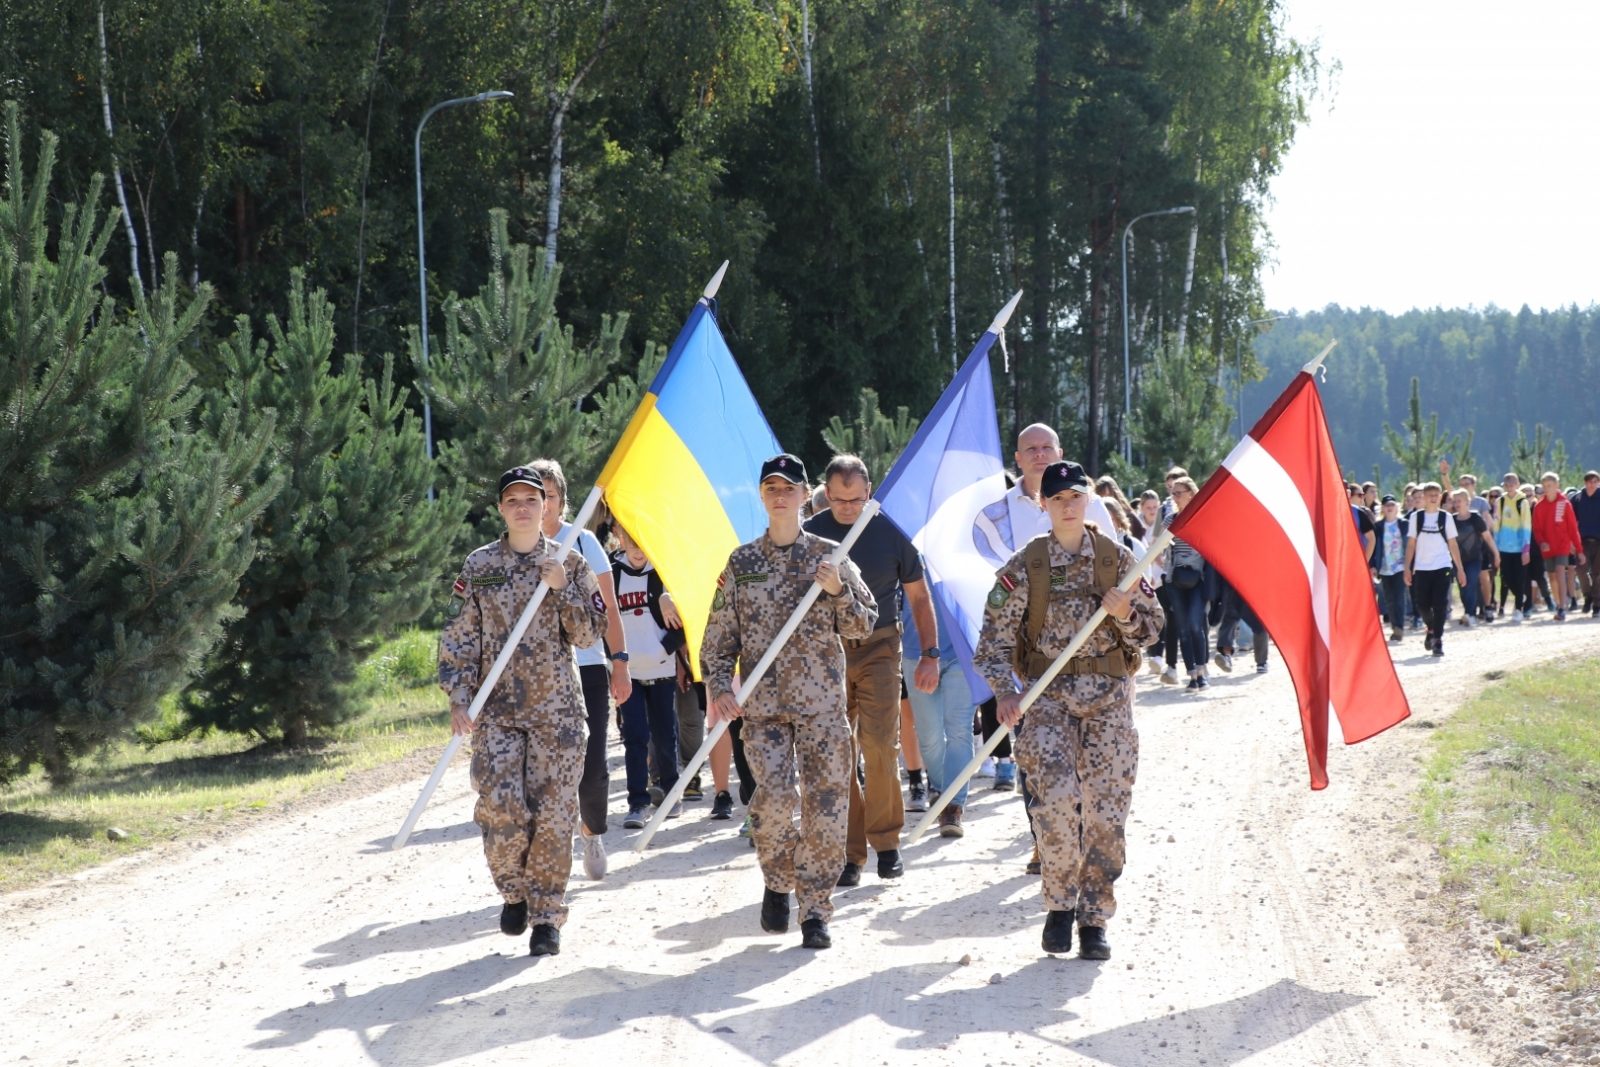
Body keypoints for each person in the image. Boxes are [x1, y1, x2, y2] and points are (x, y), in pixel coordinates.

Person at [974, 461, 1163, 959]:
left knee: (1105, 813)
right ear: (1044, 505)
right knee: (1055, 804)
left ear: (1087, 500)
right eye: (1057, 498)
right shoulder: (1026, 567)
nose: (1067, 505)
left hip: (1109, 699)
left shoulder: (1117, 560)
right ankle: (1059, 907)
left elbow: (1153, 628)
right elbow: (991, 643)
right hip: (1047, 700)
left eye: (1075, 496)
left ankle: (1094, 918)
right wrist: (1006, 693)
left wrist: (1125, 614)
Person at [701, 453, 878, 950]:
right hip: (764, 709)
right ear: (762, 497)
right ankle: (778, 880)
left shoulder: (831, 556)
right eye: (771, 488)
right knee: (774, 801)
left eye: (789, 488)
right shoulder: (742, 563)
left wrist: (838, 590)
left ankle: (816, 908)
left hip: (822, 707)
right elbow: (718, 639)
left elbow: (864, 624)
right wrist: (719, 687)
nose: (780, 496)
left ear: (805, 495)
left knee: (826, 808)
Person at [439, 467, 607, 957]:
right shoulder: (479, 565)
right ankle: (514, 890)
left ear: (546, 506)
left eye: (531, 499)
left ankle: (547, 916)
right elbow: (459, 637)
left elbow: (589, 633)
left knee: (555, 816)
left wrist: (561, 588)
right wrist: (457, 695)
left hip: (557, 713)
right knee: (501, 810)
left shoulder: (569, 563)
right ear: (500, 509)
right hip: (498, 714)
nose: (522, 508)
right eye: (512, 500)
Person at [804, 453, 938, 886]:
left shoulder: (890, 531)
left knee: (880, 744)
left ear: (869, 491)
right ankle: (850, 851)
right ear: (826, 494)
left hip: (881, 646)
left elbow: (919, 597)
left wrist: (931, 654)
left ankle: (887, 843)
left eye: (855, 499)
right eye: (838, 500)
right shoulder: (811, 535)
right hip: (828, 653)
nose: (846, 508)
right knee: (838, 753)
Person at [971, 424, 1118, 789]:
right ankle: (1044, 832)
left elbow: (1116, 574)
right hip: (1031, 650)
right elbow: (996, 586)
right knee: (1037, 750)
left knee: (1092, 766)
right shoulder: (996, 515)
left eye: (1046, 447)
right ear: (1017, 459)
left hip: (1091, 653)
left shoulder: (1094, 505)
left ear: (1060, 451)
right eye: (1031, 449)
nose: (1039, 454)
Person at [529, 459, 627, 882]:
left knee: (591, 764)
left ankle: (590, 832)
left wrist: (620, 664)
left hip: (586, 668)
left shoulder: (583, 542)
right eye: (535, 495)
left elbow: (609, 609)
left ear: (563, 500)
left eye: (549, 495)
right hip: (534, 673)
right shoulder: (514, 548)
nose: (542, 504)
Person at [610, 523, 686, 828]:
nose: (638, 551)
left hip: (661, 669)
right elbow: (604, 622)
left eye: (644, 544)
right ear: (621, 538)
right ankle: (638, 803)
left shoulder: (664, 572)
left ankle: (671, 793)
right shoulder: (612, 573)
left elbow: (685, 622)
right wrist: (614, 664)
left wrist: (663, 651)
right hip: (628, 672)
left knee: (665, 736)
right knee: (635, 737)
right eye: (632, 543)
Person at [900, 591, 975, 836]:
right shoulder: (907, 553)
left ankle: (952, 806)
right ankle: (943, 790)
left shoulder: (958, 551)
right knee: (929, 736)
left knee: (960, 731)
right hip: (915, 652)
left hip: (962, 651)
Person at [1403, 482, 1467, 657]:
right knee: (1422, 606)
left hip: (1442, 566)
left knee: (1440, 605)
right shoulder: (1416, 518)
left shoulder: (1445, 518)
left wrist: (1460, 569)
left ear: (1440, 497)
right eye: (1429, 495)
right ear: (1423, 497)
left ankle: (1438, 640)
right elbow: (1411, 544)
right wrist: (1407, 568)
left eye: (1436, 495)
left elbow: (1453, 544)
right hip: (1422, 568)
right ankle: (1430, 627)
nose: (1432, 498)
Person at [1163, 477, 1211, 690]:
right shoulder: (1169, 520)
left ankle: (1202, 672)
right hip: (1174, 580)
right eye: (1173, 493)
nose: (1175, 497)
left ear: (1191, 493)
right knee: (1182, 628)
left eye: (1179, 492)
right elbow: (1158, 549)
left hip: (1198, 579)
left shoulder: (1202, 519)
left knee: (1195, 624)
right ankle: (1192, 676)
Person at [1532, 471, 1585, 621]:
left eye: (1550, 485)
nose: (1547, 489)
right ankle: (1558, 603)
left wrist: (1578, 549)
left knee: (1560, 572)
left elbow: (1572, 528)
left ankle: (1562, 608)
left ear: (1557, 486)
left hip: (1562, 546)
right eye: (1545, 486)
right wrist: (1542, 542)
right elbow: (1537, 529)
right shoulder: (1539, 507)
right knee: (1552, 577)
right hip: (1547, 548)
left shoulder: (1565, 504)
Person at [1448, 488, 1497, 628]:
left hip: (1475, 558)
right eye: (1455, 501)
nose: (1457, 503)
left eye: (1460, 500)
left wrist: (1496, 553)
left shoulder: (1476, 518)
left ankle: (1470, 614)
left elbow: (1487, 536)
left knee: (1470, 584)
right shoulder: (1451, 520)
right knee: (1463, 587)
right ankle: (1468, 612)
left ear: (1467, 501)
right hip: (1458, 560)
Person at [1494, 472, 1532, 620]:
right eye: (1506, 484)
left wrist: (1526, 549)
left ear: (1517, 485)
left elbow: (1526, 526)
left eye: (1512, 484)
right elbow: (1496, 524)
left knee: (1519, 578)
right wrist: (1495, 548)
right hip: (1503, 547)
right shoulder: (1500, 502)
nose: (1509, 487)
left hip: (1518, 548)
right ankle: (1521, 597)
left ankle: (1518, 609)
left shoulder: (1522, 502)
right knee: (1506, 578)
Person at [1371, 495, 1409, 642]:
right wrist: (1373, 565)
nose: (1389, 507)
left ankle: (1399, 627)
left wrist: (1410, 565)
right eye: (1386, 505)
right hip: (1385, 567)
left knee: (1399, 596)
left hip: (1400, 566)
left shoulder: (1403, 524)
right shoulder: (1379, 526)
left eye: (1392, 504)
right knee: (1389, 598)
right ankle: (1395, 626)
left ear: (1397, 507)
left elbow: (1410, 544)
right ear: (1383, 508)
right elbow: (1375, 547)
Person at [1574, 471, 1600, 616]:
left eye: (1595, 481)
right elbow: (1571, 521)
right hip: (1582, 541)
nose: (1592, 484)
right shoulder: (1577, 498)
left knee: (1598, 574)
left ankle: (1597, 604)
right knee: (1580, 569)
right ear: (1585, 482)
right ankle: (1587, 595)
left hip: (1599, 541)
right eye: (1589, 481)